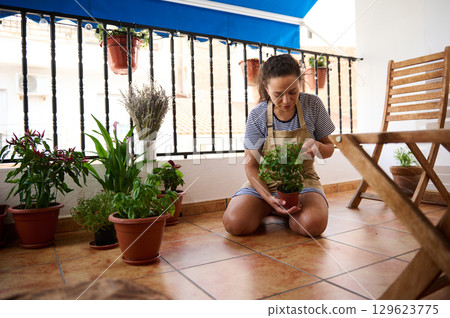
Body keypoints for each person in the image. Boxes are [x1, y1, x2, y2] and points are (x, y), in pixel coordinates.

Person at [223, 54, 335, 237]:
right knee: (235, 223)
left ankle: (289, 213)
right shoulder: (257, 115)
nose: (286, 101)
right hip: (265, 182)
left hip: (303, 181)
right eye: (278, 94)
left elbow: (329, 149)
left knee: (312, 225)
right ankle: (271, 207)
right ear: (267, 89)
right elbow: (251, 165)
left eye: (293, 92)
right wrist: (269, 198)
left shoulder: (312, 105)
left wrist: (318, 146)